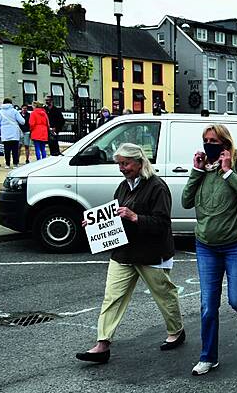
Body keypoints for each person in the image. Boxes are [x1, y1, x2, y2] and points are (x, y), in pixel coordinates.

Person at [75, 143, 184, 363]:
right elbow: (115, 215)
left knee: (164, 295)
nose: (122, 168)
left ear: (140, 162)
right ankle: (102, 344)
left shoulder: (157, 187)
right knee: (112, 297)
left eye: (126, 164)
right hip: (124, 253)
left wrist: (136, 217)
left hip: (151, 253)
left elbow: (162, 224)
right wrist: (95, 223)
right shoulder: (123, 186)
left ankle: (176, 331)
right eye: (119, 164)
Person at [181, 124, 237, 376]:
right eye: (206, 140)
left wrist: (228, 171)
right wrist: (196, 171)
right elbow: (186, 201)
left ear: (225, 142)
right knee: (208, 304)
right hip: (206, 244)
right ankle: (208, 356)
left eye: (214, 140)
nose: (209, 144)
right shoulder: (203, 169)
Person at [0, 98, 25, 170]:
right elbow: (22, 121)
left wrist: (3, 127)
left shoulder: (0, 112)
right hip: (14, 133)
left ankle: (7, 164)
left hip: (5, 133)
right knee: (15, 149)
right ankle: (15, 163)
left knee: (6, 150)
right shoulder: (14, 111)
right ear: (11, 103)